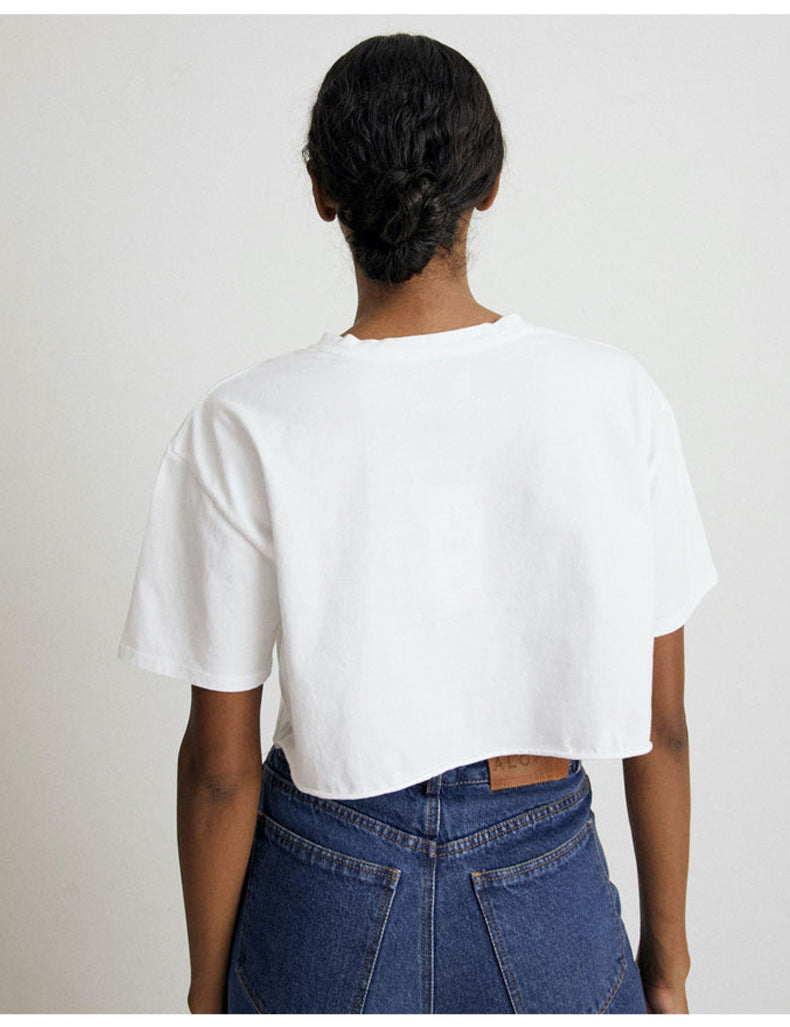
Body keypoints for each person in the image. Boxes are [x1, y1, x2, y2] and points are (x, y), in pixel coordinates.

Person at [117, 33, 718, 1015]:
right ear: (489, 186)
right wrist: (668, 964)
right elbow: (662, 726)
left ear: (323, 191)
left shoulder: (244, 422)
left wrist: (208, 992)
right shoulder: (615, 399)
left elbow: (220, 770)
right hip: (546, 882)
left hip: (323, 885)